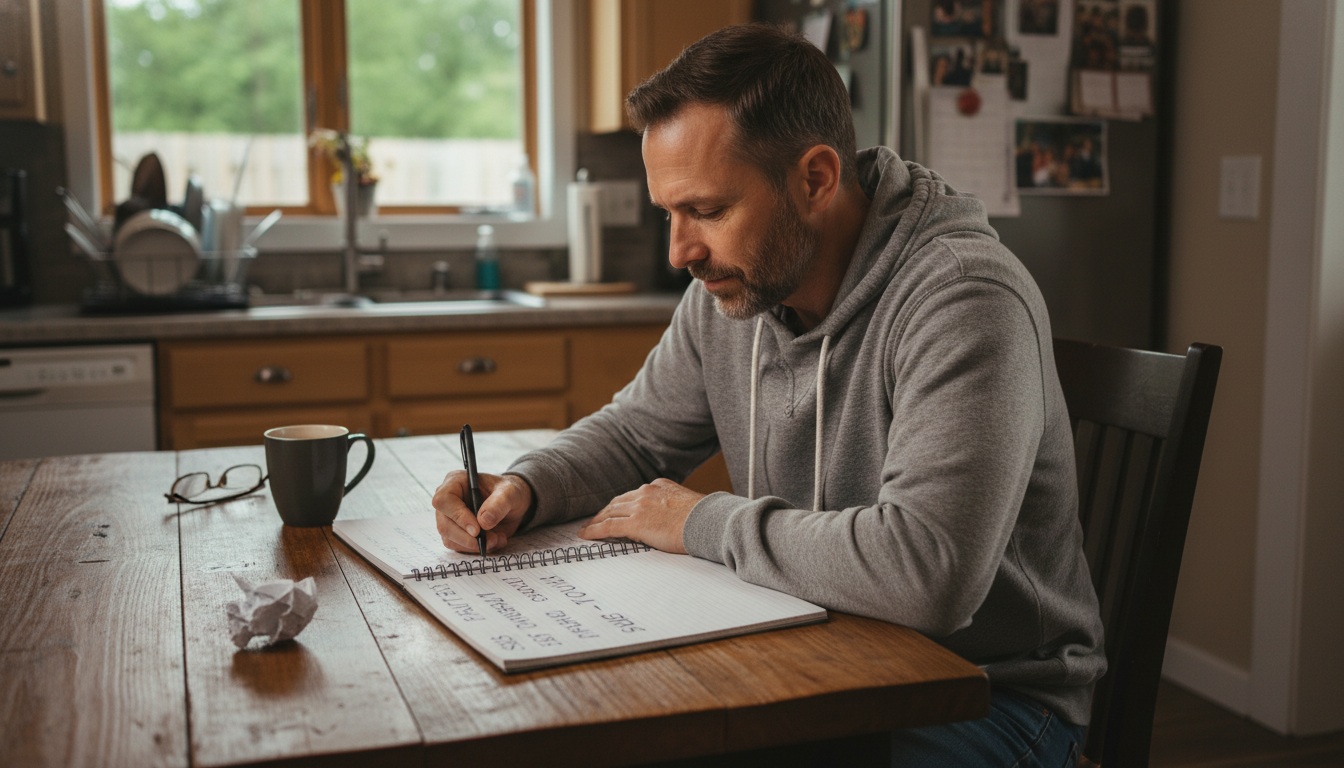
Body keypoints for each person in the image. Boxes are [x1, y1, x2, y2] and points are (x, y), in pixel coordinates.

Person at [433, 23, 1104, 767]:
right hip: (818, 651)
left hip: (989, 695)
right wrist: (529, 485)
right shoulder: (737, 286)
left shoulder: (962, 298)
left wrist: (701, 522)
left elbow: (928, 572)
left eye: (709, 211)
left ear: (814, 178)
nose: (679, 252)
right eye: (670, 213)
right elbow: (636, 435)